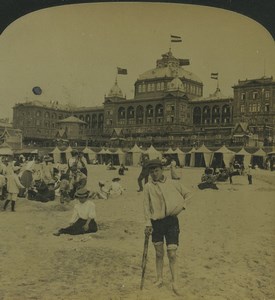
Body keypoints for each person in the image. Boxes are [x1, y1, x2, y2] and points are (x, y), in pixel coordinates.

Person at [143, 159, 191, 295]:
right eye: (151, 171)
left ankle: (175, 282)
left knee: (172, 254)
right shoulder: (148, 186)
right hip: (156, 223)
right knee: (159, 254)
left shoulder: (173, 183)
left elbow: (189, 194)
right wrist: (147, 223)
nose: (154, 174)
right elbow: (146, 206)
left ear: (162, 170)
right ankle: (159, 279)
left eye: (156, 170)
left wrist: (182, 206)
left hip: (171, 222)